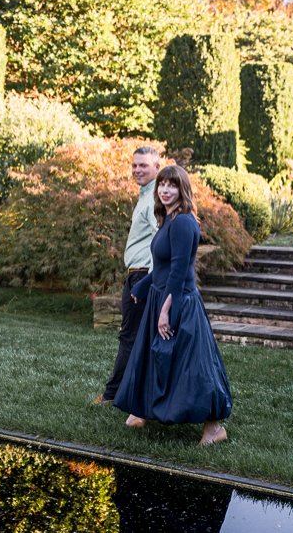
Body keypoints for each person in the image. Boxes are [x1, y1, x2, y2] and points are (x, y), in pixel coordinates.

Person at [113, 165, 232, 446]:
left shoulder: (183, 223)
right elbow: (163, 266)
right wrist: (143, 287)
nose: (165, 190)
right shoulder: (168, 219)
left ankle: (214, 429)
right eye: (162, 184)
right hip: (161, 296)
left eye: (172, 185)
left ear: (182, 189)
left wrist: (167, 311)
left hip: (179, 302)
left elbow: (179, 274)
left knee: (191, 366)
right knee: (151, 358)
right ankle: (141, 413)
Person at [93, 146, 160, 406]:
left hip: (142, 277)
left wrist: (148, 281)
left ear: (157, 168)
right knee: (136, 336)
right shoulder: (145, 197)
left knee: (129, 336)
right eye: (134, 165)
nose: (137, 170)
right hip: (138, 275)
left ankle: (112, 395)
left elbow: (161, 240)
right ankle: (135, 393)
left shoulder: (153, 199)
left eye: (143, 165)